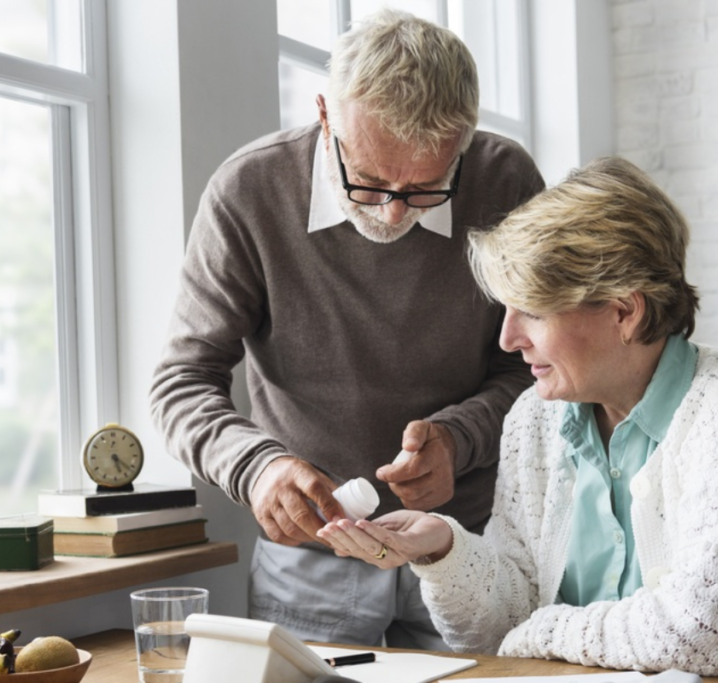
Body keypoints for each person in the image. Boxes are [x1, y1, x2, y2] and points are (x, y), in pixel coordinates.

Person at [149, 10, 544, 649]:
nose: (392, 212)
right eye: (369, 181)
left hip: (470, 543)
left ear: (464, 143)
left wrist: (458, 439)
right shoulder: (248, 191)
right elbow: (181, 383)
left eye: (426, 188)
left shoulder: (506, 182)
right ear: (326, 116)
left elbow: (533, 367)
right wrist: (256, 468)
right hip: (309, 556)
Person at [318, 156, 718, 674]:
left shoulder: (711, 415)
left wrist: (544, 629)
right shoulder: (534, 419)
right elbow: (500, 624)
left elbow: (700, 631)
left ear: (624, 310)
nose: (509, 338)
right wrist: (443, 549)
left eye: (532, 310)